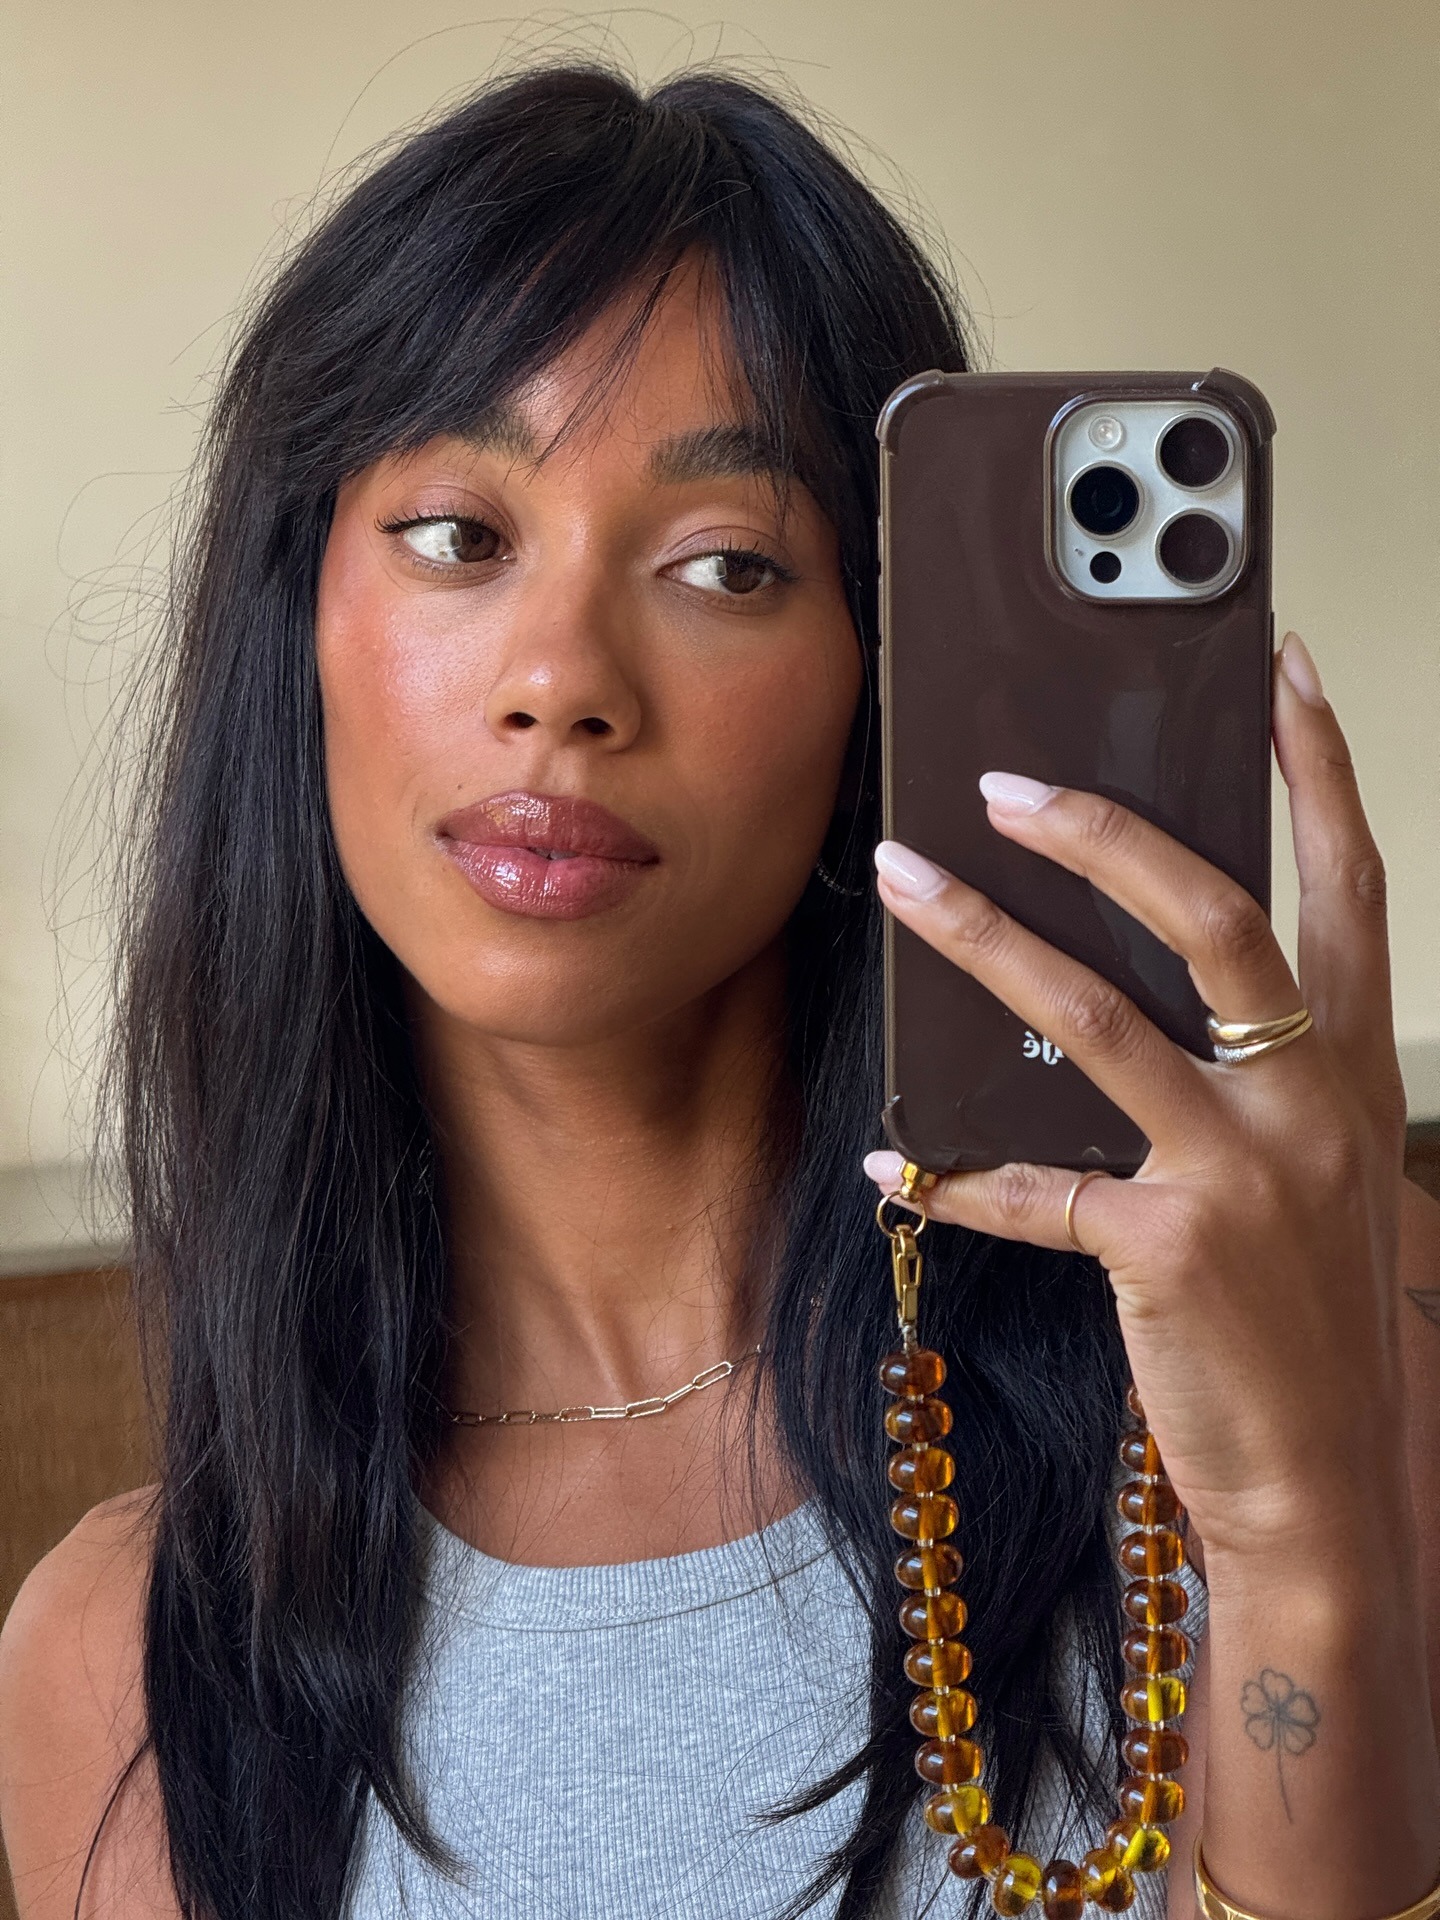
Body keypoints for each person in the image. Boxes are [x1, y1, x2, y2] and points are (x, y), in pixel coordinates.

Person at [1, 63, 1437, 1920]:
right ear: (304, 620)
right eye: (461, 535)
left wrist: (1301, 1529)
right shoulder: (117, 1663)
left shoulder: (1310, 1326)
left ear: (881, 681)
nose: (562, 681)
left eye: (726, 563)